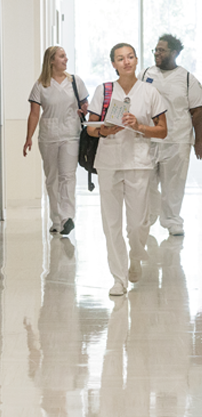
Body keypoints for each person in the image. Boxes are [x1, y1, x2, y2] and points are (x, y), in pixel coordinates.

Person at [86, 43, 167, 296]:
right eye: (120, 58)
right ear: (113, 64)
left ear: (136, 60)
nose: (126, 62)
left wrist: (140, 126)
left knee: (137, 224)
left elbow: (162, 130)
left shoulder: (150, 91)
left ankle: (136, 254)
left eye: (130, 57)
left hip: (138, 163)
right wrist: (104, 130)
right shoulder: (104, 90)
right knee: (111, 224)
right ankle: (118, 278)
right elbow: (89, 127)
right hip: (109, 162)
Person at [138, 34, 202, 236]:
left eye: (161, 50)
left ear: (174, 53)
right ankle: (149, 216)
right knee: (145, 182)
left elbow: (198, 111)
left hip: (177, 139)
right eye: (155, 50)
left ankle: (172, 221)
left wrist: (199, 140)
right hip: (148, 137)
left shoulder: (187, 78)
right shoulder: (146, 73)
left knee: (173, 185)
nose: (157, 53)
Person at [24, 46, 88, 235]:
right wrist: (28, 137)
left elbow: (86, 106)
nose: (65, 59)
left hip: (70, 135)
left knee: (67, 176)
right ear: (51, 60)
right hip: (48, 137)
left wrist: (84, 110)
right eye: (61, 56)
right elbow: (34, 114)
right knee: (52, 178)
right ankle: (56, 219)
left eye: (65, 56)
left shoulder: (75, 82)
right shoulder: (40, 85)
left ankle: (67, 217)